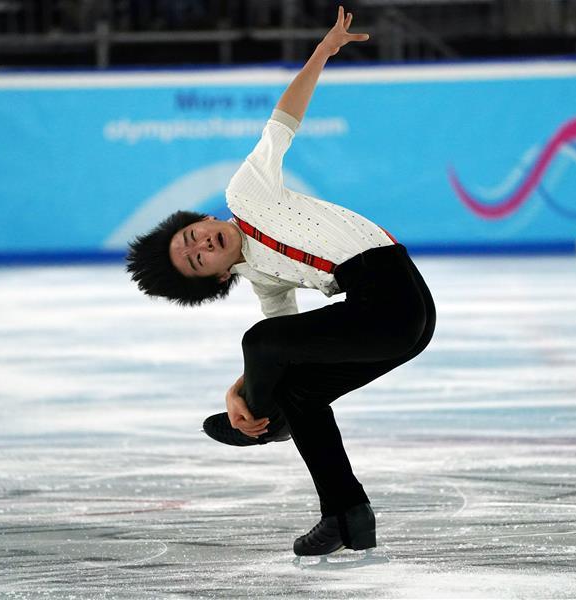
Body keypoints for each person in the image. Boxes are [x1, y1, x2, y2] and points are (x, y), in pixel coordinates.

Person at [126, 6, 436, 557]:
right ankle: (346, 515)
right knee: (297, 389)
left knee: (260, 348)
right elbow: (290, 345)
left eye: (191, 237)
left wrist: (322, 52)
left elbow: (284, 118)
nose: (201, 246)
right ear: (216, 278)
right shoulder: (260, 279)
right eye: (196, 262)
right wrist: (241, 389)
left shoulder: (246, 192)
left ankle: (269, 425)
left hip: (392, 295)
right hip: (387, 320)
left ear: (201, 219)